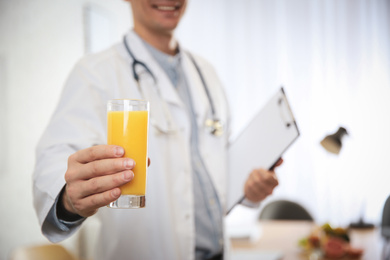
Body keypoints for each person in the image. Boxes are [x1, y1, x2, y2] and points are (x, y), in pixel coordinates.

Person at [33, 0, 282, 259]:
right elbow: (54, 163)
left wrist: (250, 188)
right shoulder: (95, 73)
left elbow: (216, 170)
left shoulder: (206, 73)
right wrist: (69, 200)